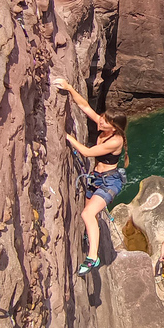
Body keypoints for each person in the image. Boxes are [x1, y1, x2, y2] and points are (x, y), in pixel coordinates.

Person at [54, 78, 129, 276]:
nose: (100, 121)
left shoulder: (115, 140)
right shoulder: (106, 128)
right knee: (91, 214)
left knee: (87, 214)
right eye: (102, 118)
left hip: (109, 182)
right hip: (96, 179)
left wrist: (68, 137)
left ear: (114, 127)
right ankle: (91, 238)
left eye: (105, 120)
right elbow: (85, 106)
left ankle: (92, 257)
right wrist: (69, 88)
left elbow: (87, 153)